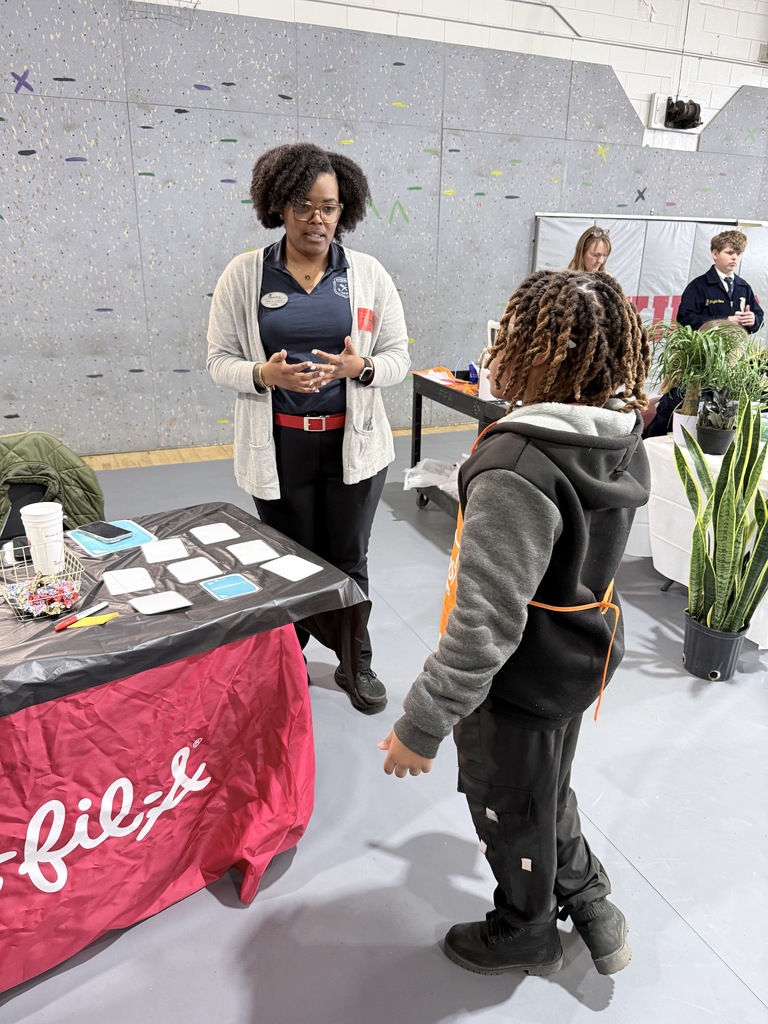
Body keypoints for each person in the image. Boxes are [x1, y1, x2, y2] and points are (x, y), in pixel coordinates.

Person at [379, 269, 651, 978]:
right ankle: (589, 900)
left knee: (508, 806)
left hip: (515, 681)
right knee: (548, 787)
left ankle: (525, 929)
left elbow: (484, 626)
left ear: (534, 351)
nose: (496, 347)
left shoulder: (517, 467)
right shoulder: (617, 437)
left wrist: (422, 724)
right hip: (579, 657)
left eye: (508, 335)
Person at [207, 141, 410, 714]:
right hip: (279, 444)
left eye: (329, 206)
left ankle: (354, 660)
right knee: (287, 561)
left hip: (354, 445)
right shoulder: (245, 275)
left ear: (344, 210)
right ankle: (286, 662)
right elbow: (218, 360)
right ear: (279, 206)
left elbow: (397, 357)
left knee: (349, 556)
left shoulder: (367, 275)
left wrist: (359, 368)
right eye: (303, 205)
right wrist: (262, 375)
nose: (316, 219)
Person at [677, 229, 763, 334]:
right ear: (715, 254)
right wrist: (725, 321)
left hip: (738, 343)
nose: (734, 257)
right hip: (707, 344)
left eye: (738, 253)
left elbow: (759, 317)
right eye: (729, 253)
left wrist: (753, 320)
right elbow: (685, 320)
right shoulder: (698, 286)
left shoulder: (744, 287)